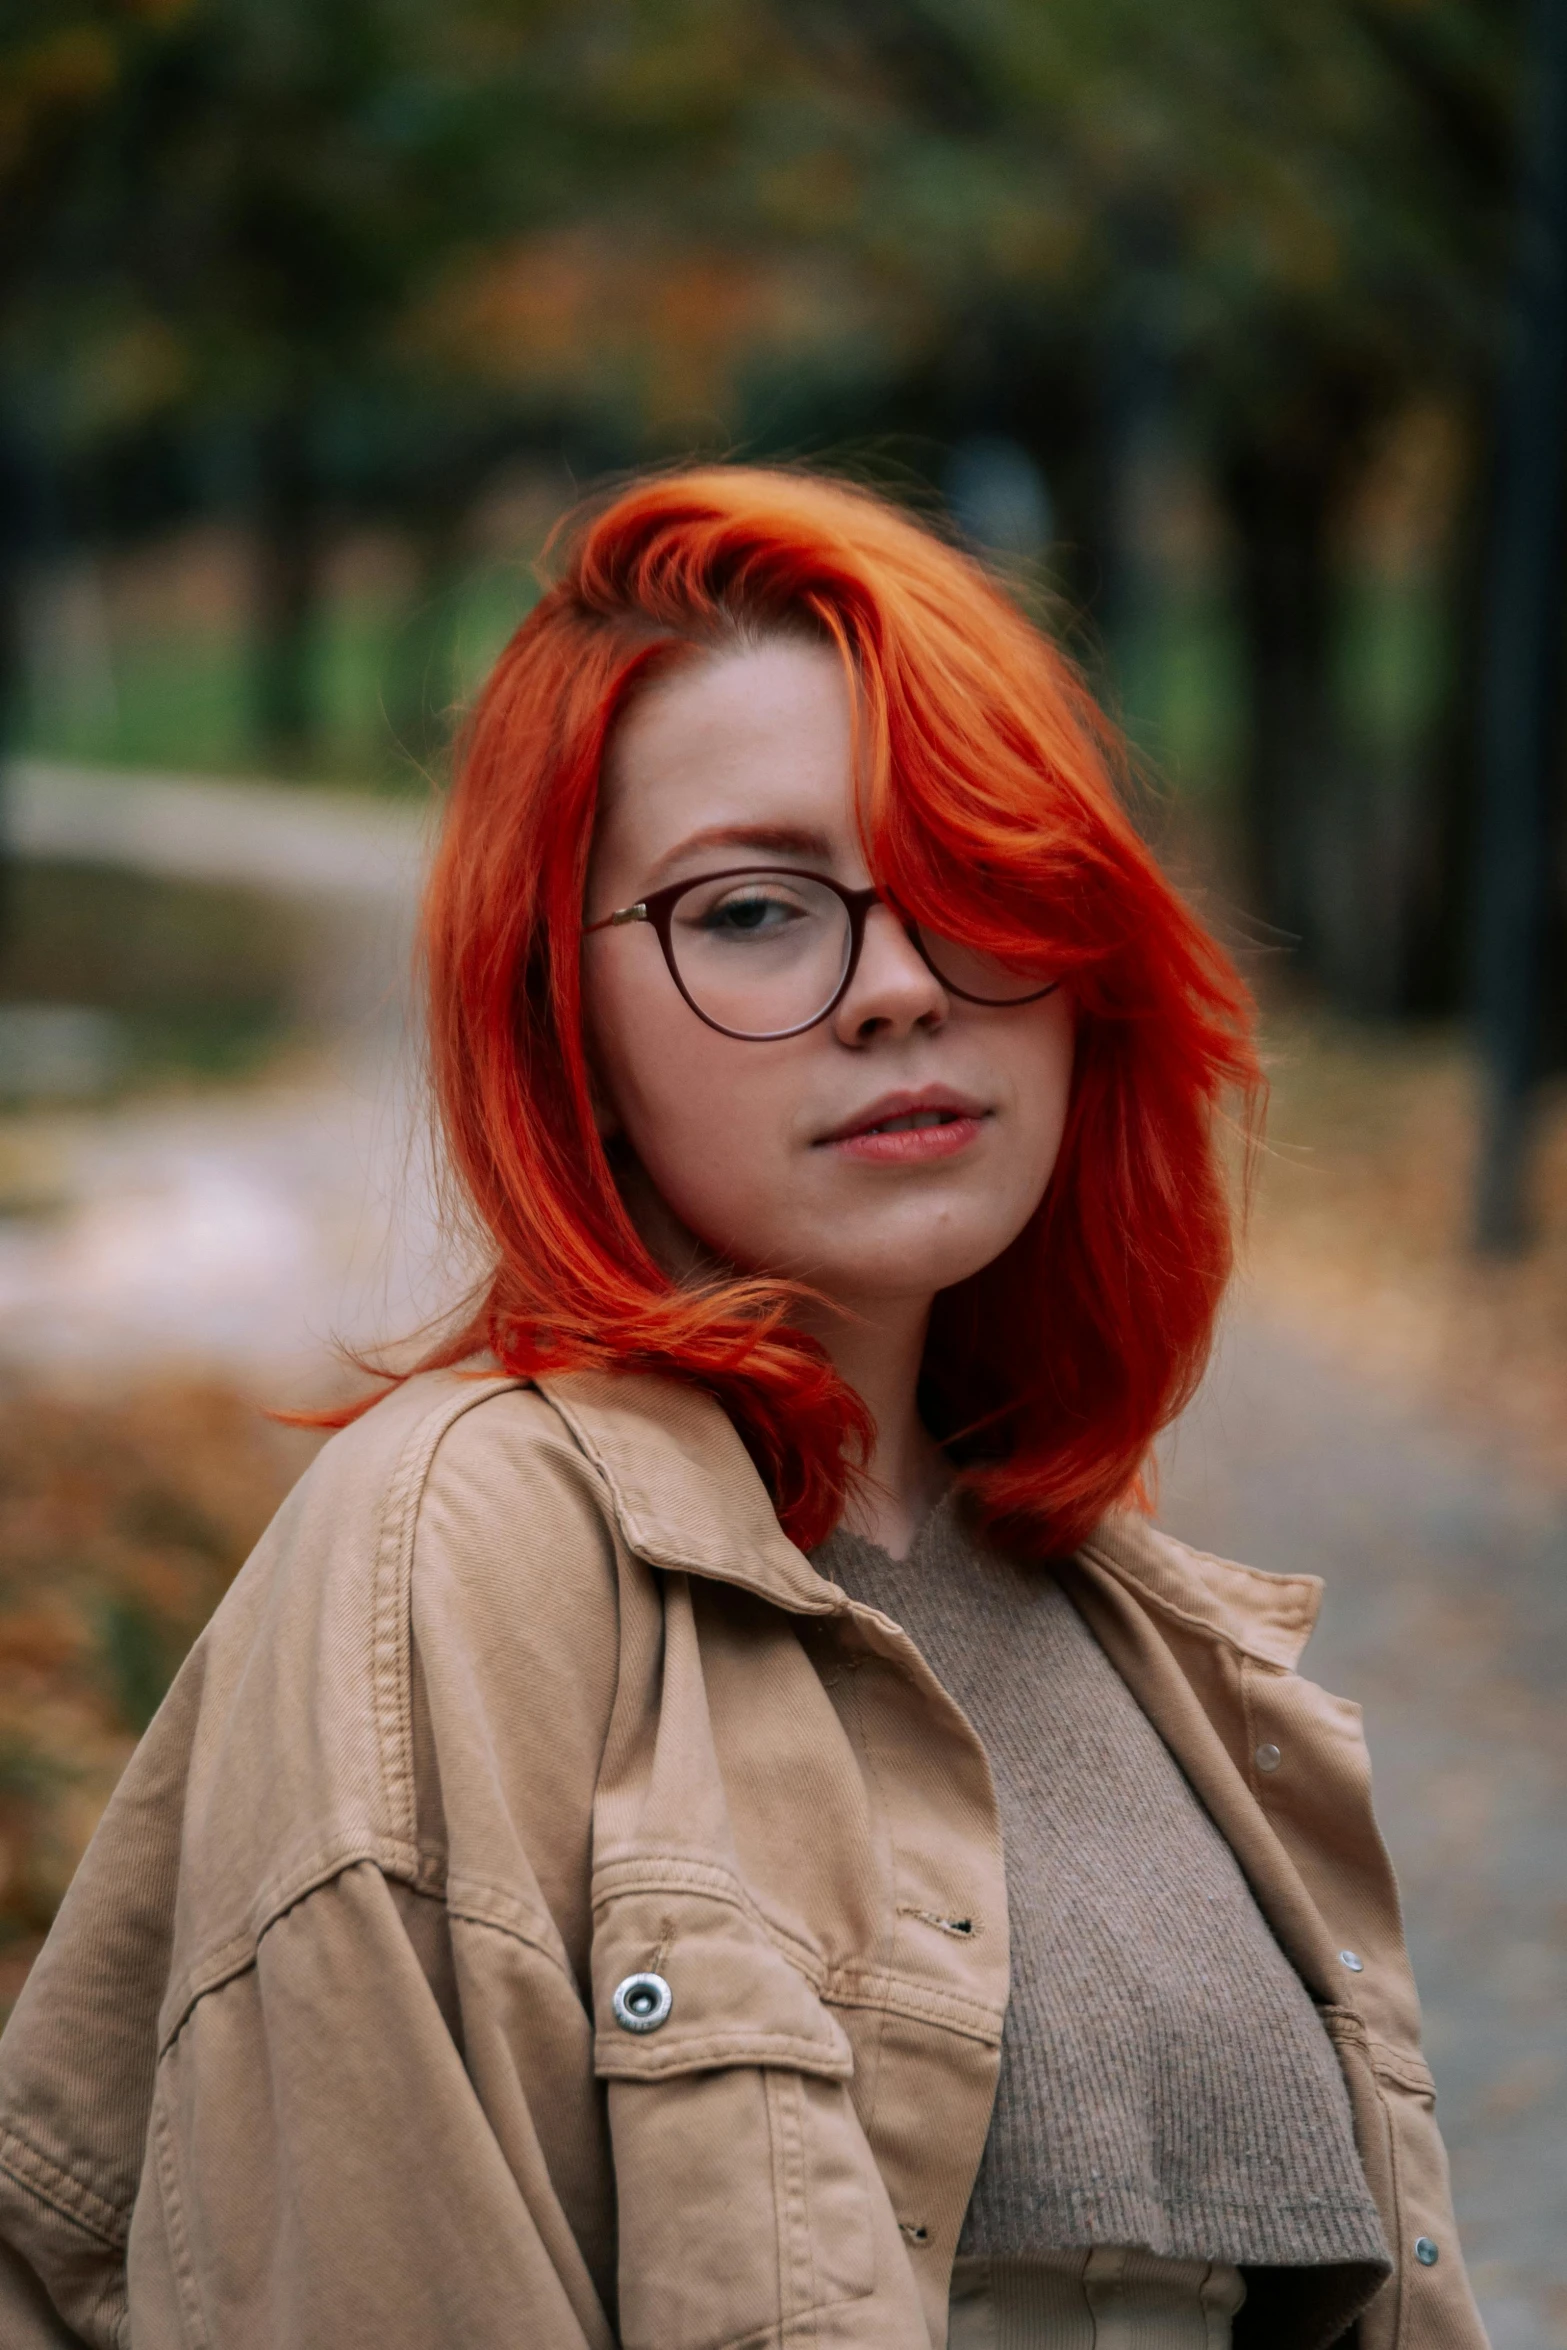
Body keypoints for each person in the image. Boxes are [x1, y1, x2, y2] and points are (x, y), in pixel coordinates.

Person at [0, 469, 1486, 2350]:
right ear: (568, 1023)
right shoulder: (463, 1553)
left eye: (974, 880)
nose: (895, 988)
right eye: (759, 911)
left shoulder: (1153, 1641)